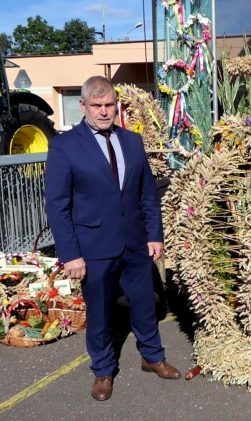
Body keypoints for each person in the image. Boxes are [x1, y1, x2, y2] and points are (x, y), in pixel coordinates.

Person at [45, 75, 181, 402]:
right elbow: (58, 206)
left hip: (134, 243)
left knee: (145, 303)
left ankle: (153, 356)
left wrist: (154, 234)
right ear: (83, 106)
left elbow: (147, 194)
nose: (105, 112)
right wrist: (71, 255)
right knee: (102, 312)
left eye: (109, 105)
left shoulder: (132, 142)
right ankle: (103, 370)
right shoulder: (64, 146)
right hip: (93, 249)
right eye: (97, 105)